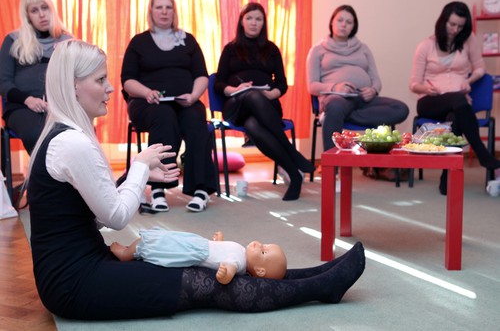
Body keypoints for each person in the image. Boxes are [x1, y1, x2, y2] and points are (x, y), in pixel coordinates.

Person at [26, 39, 365, 320]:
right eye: (101, 80)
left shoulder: (66, 137)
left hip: (82, 267)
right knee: (204, 281)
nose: (110, 88)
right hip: (75, 282)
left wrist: (136, 175)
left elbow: (97, 215)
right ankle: (320, 287)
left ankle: (316, 275)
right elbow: (115, 218)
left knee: (199, 264)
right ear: (74, 85)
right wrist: (141, 166)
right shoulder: (72, 143)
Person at [121, 0, 216, 213]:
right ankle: (157, 188)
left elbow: (202, 75)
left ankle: (200, 189)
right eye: (159, 7)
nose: (164, 11)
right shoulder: (139, 42)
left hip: (185, 101)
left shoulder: (188, 40)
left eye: (168, 7)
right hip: (147, 103)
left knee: (195, 118)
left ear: (174, 11)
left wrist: (193, 96)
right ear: (151, 11)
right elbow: (127, 80)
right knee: (163, 116)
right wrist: (146, 92)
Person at [214, 2, 315, 201]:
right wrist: (235, 89)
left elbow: (283, 84)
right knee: (251, 96)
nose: (254, 22)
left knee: (253, 125)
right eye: (249, 18)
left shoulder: (271, 49)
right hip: (237, 105)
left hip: (266, 106)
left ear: (263, 23)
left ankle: (294, 176)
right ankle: (291, 154)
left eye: (258, 19)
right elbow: (218, 82)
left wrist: (271, 94)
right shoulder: (231, 49)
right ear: (242, 21)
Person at [409, 1, 500, 195]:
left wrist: (470, 81)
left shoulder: (468, 40)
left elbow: (480, 68)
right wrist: (426, 88)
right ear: (443, 21)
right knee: (459, 101)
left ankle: (446, 177)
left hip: (458, 104)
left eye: (460, 26)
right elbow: (414, 84)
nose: (455, 29)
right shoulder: (426, 46)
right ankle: (484, 155)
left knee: (455, 117)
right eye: (452, 24)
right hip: (430, 101)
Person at [306, 4, 409, 152]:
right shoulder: (318, 50)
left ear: (353, 26)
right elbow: (312, 85)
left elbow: (376, 80)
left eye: (349, 22)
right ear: (332, 22)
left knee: (400, 109)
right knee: (335, 107)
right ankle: (331, 161)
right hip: (337, 98)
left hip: (363, 99)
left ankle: (339, 117)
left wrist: (373, 90)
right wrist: (335, 88)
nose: (344, 25)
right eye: (340, 20)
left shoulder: (363, 48)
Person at [0, 0, 72, 154]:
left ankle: (59, 178)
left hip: (58, 108)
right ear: (27, 16)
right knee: (37, 134)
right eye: (34, 10)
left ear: (51, 9)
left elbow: (76, 80)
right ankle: (44, 178)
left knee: (69, 135)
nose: (41, 14)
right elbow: (3, 82)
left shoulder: (67, 41)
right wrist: (28, 100)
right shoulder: (13, 41)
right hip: (21, 108)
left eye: (44, 7)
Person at [110, 228, 287, 284]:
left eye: (263, 251)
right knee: (165, 238)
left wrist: (225, 274)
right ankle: (132, 249)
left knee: (162, 242)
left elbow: (228, 269)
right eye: (264, 244)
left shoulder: (239, 262)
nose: (258, 244)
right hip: (198, 244)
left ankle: (127, 253)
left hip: (193, 251)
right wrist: (219, 241)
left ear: (260, 271)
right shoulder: (241, 252)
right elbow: (224, 250)